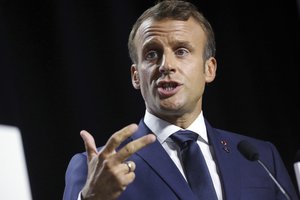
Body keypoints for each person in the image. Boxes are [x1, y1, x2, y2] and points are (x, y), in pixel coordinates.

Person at [63, 0, 299, 200]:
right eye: (152, 54)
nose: (166, 65)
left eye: (182, 51)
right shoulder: (96, 168)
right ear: (136, 76)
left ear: (209, 69)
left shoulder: (261, 158)